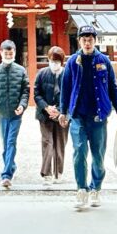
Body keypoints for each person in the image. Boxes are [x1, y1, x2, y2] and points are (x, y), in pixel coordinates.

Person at [58, 24, 117, 209]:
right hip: (78, 115)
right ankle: (81, 189)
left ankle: (96, 187)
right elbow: (65, 88)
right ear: (79, 41)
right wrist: (63, 111)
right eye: (84, 40)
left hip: (98, 116)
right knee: (79, 151)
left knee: (98, 155)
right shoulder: (73, 62)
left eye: (90, 40)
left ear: (95, 41)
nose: (87, 43)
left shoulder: (104, 61)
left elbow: (113, 87)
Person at [0, 39, 29, 189]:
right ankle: (11, 165)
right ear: (1, 53)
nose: (9, 56)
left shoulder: (21, 71)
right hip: (2, 113)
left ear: (14, 53)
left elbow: (25, 90)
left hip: (16, 113)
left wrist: (22, 105)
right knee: (5, 143)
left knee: (11, 141)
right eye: (6, 53)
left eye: (11, 54)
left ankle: (6, 175)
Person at [35, 46, 68, 185]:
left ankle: (58, 172)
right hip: (45, 114)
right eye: (51, 60)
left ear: (62, 61)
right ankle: (46, 173)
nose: (54, 63)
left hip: (63, 114)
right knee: (47, 143)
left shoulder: (67, 74)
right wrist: (47, 107)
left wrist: (60, 111)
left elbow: (71, 94)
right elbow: (37, 94)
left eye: (57, 61)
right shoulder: (42, 73)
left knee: (60, 144)